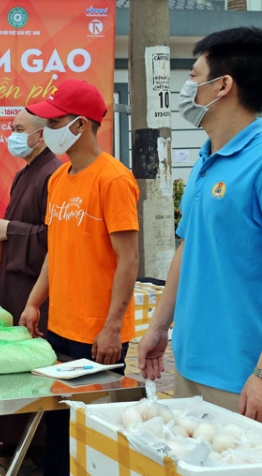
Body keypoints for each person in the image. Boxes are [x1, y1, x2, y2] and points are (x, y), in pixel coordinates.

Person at [139, 27, 262, 423]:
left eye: (193, 76)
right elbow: (187, 248)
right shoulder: (207, 158)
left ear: (223, 85)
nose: (187, 87)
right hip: (191, 364)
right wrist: (159, 327)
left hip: (242, 377)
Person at [19, 79, 140, 476]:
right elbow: (57, 248)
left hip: (98, 333)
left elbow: (128, 260)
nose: (47, 127)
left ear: (81, 125)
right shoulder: (59, 178)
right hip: (60, 324)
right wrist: (34, 302)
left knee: (94, 431)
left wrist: (111, 328)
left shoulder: (114, 179)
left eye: (55, 120)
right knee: (59, 424)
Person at [0, 110, 62, 459]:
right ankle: (13, 437)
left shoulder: (53, 174)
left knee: (32, 362)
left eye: (19, 129)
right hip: (12, 280)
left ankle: (38, 444)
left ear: (41, 136)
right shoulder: (23, 174)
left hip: (37, 286)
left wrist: (11, 232)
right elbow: (9, 224)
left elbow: (55, 237)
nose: (12, 135)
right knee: (10, 359)